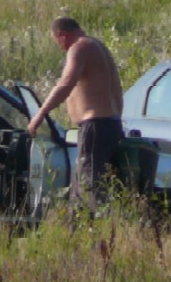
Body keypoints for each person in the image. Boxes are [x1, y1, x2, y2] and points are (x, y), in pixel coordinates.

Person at [26, 16, 125, 212]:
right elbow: (115, 91)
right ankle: (82, 232)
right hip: (111, 124)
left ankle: (99, 232)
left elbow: (66, 83)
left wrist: (39, 115)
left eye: (58, 43)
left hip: (95, 126)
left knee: (88, 185)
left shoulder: (79, 47)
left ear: (62, 36)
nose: (61, 48)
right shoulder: (99, 46)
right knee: (87, 184)